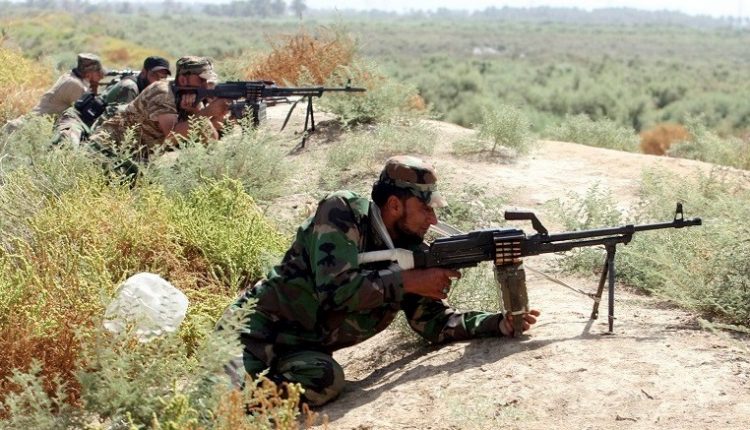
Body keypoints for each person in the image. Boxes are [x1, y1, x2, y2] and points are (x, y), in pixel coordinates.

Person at [224, 155, 540, 406]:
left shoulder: (410, 250)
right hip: (251, 334)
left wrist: (497, 324)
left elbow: (434, 322)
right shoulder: (342, 212)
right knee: (213, 405)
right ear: (394, 205)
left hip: (301, 353)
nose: (433, 219)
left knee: (327, 380)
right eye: (425, 208)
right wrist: (408, 281)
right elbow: (335, 290)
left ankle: (245, 404)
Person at [88, 55, 228, 166]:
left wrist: (197, 111)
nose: (206, 85)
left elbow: (211, 140)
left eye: (208, 81)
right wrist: (208, 112)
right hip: (106, 149)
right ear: (183, 80)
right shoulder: (162, 92)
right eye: (201, 80)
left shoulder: (190, 97)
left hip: (136, 156)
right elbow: (171, 136)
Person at [53, 56, 172, 146]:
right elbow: (115, 122)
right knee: (67, 147)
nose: (158, 80)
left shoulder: (148, 90)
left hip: (93, 125)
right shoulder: (130, 87)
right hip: (78, 121)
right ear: (144, 72)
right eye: (155, 75)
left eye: (163, 77)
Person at [1, 53, 105, 135]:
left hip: (25, 127)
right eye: (97, 73)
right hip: (24, 130)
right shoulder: (74, 85)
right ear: (89, 73)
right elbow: (88, 114)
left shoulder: (69, 77)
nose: (100, 77)